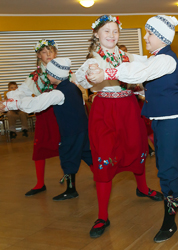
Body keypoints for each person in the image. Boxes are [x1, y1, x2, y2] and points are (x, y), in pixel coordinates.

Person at [86, 14, 178, 243]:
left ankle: (170, 222)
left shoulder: (166, 59)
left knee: (166, 170)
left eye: (149, 34)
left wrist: (108, 73)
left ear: (162, 37)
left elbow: (140, 73)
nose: (145, 37)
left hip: (171, 120)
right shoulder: (156, 57)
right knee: (167, 161)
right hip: (163, 118)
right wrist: (140, 92)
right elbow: (148, 78)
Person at [75, 15, 163, 238]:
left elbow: (146, 65)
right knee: (104, 155)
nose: (112, 35)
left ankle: (142, 188)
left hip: (128, 106)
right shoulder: (93, 60)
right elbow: (80, 80)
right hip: (104, 110)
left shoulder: (126, 56)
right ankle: (102, 215)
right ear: (97, 34)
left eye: (115, 31)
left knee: (136, 147)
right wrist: (90, 76)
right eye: (107, 31)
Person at [1, 58, 93, 200]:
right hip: (82, 129)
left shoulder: (58, 93)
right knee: (87, 153)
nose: (47, 76)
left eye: (49, 74)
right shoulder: (73, 86)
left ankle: (71, 190)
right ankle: (102, 175)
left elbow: (36, 104)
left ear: (55, 75)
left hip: (70, 132)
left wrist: (8, 105)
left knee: (68, 156)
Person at [6, 40, 61, 197]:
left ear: (55, 53)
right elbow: (21, 91)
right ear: (39, 55)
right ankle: (40, 183)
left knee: (70, 146)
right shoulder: (34, 76)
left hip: (62, 113)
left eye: (51, 51)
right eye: (44, 51)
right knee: (40, 147)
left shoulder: (64, 72)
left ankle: (76, 178)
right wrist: (8, 102)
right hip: (44, 114)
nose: (48, 54)